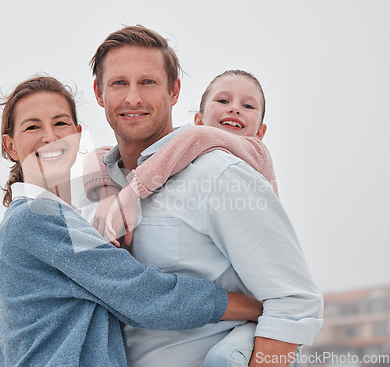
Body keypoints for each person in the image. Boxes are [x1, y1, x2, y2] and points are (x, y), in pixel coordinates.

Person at [88, 25, 324, 367]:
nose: (133, 98)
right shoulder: (96, 184)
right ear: (99, 92)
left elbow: (295, 304)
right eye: (119, 83)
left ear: (174, 90)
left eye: (148, 82)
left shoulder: (219, 174)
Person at [0, 76, 263, 366]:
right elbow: (141, 293)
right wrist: (255, 307)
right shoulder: (36, 218)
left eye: (60, 123)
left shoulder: (51, 217)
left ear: (77, 135)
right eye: (33, 126)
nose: (50, 136)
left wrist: (110, 190)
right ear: (10, 146)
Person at [83, 69, 279, 366]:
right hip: (231, 312)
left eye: (248, 106)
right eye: (223, 100)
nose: (235, 108)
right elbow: (98, 154)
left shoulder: (254, 153)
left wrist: (132, 191)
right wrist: (108, 190)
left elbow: (197, 139)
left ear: (261, 132)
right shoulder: (192, 159)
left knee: (224, 359)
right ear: (199, 117)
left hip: (257, 314)